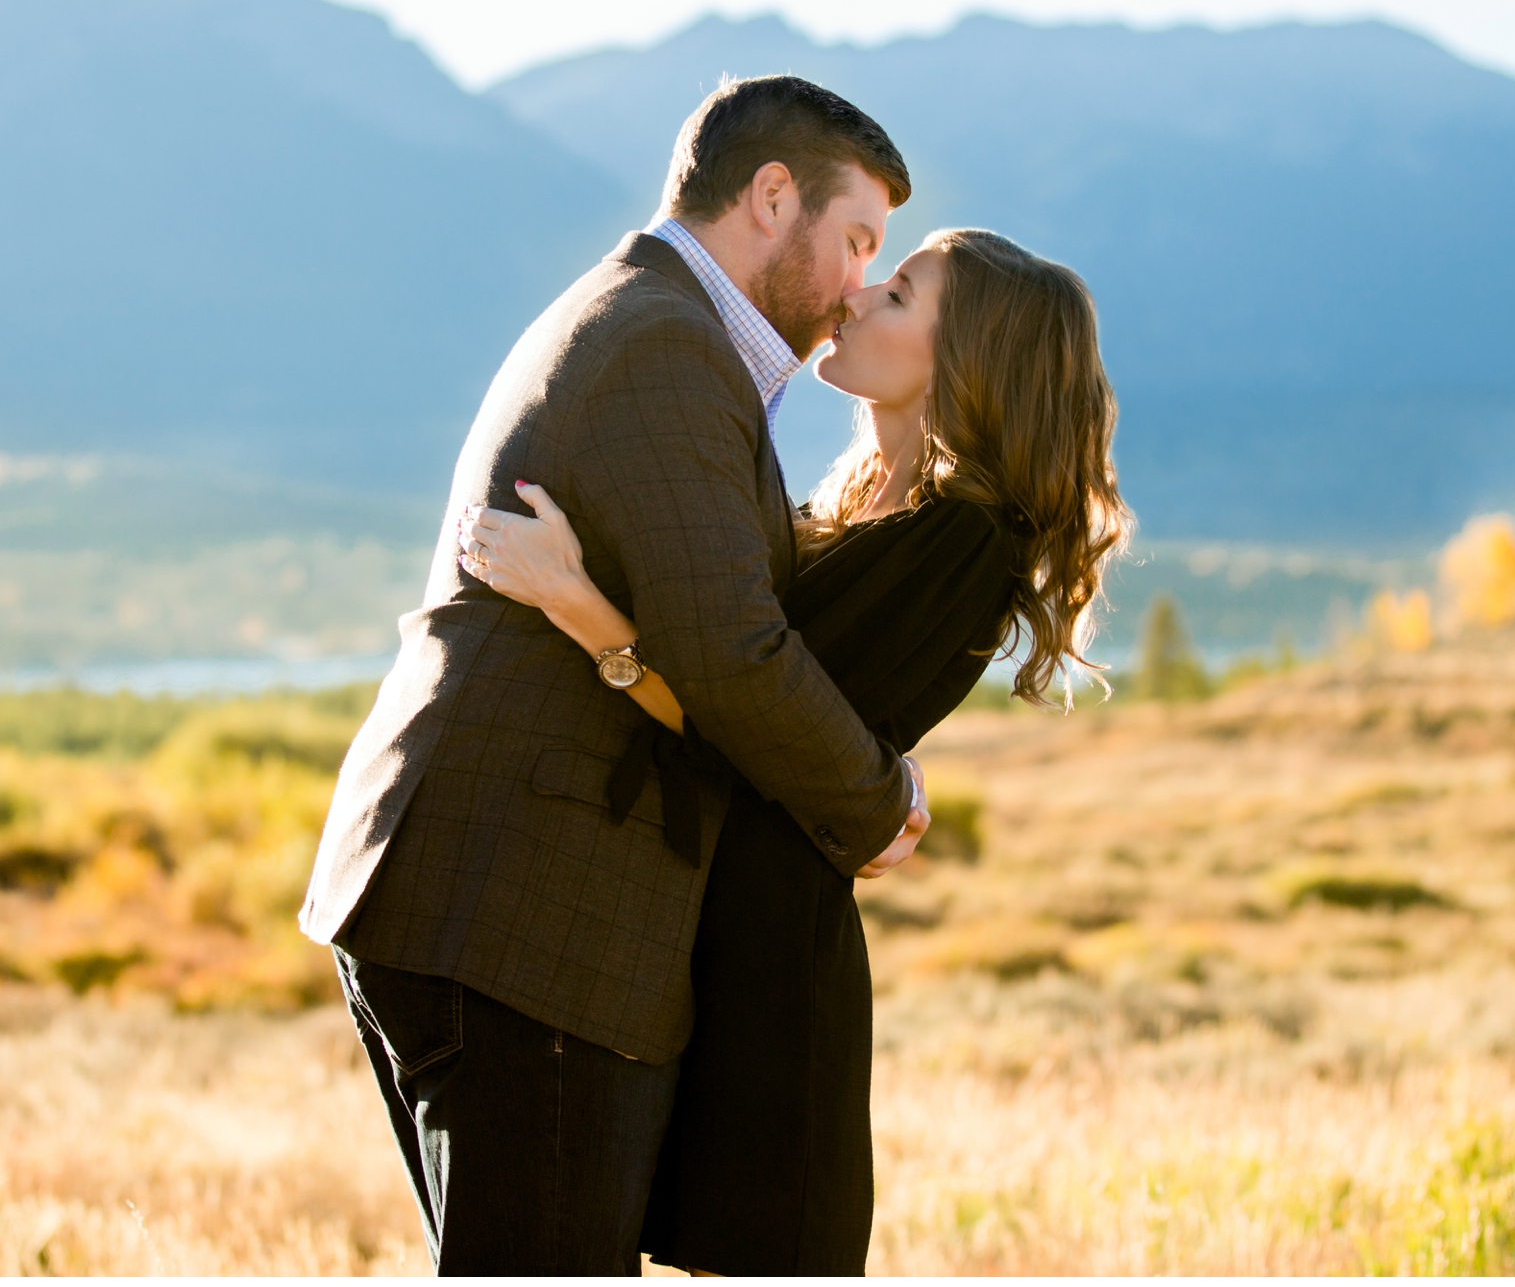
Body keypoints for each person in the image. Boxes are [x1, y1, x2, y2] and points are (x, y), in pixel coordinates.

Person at [299, 75, 925, 1273]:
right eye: (855, 239)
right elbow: (733, 649)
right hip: (527, 907)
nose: (857, 281)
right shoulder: (664, 348)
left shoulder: (658, 326)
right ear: (772, 196)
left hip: (493, 900)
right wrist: (875, 801)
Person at [459, 225, 1132, 1273]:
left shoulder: (960, 540)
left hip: (773, 981)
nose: (858, 296)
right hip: (705, 942)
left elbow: (753, 722)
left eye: (901, 293)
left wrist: (580, 606)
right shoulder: (853, 505)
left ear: (967, 363)